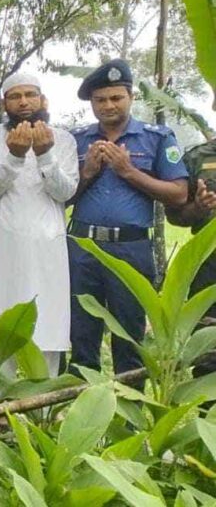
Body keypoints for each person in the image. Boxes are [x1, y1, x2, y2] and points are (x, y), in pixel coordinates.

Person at [68, 60, 187, 376]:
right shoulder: (76, 140)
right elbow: (61, 197)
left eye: (115, 98)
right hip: (82, 248)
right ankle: (79, 417)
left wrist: (128, 171)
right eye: (100, 100)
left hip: (131, 250)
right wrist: (88, 173)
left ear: (130, 97)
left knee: (130, 338)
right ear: (92, 103)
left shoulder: (156, 138)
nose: (108, 105)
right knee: (81, 335)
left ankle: (130, 419)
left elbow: (178, 193)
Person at [0, 71, 77, 376]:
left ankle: (42, 405)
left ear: (42, 99)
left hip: (48, 244)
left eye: (30, 95)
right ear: (4, 102)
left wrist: (45, 155)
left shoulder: (64, 139)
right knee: (0, 322)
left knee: (48, 323)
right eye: (15, 96)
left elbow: (65, 192)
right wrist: (14, 157)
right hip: (2, 243)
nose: (23, 102)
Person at [167, 135, 216, 377]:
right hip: (209, 264)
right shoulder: (198, 157)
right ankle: (208, 412)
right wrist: (198, 207)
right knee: (208, 346)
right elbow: (175, 215)